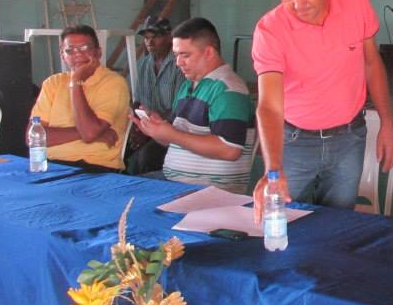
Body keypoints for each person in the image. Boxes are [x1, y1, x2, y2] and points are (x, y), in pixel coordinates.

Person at [252, 0, 393, 214]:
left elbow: (371, 63)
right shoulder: (269, 30)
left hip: (348, 138)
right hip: (295, 142)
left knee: (339, 224)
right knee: (281, 219)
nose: (298, 5)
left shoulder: (355, 1)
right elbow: (269, 105)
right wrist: (273, 168)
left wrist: (387, 122)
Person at [132, 17, 254, 193]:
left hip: (210, 190)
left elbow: (229, 149)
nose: (178, 62)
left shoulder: (228, 89)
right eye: (176, 55)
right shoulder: (187, 86)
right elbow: (177, 141)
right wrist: (156, 130)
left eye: (185, 55)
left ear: (209, 53)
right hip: (178, 183)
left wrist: (172, 134)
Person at [31, 26, 130, 172]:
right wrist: (81, 133)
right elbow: (33, 137)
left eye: (84, 48)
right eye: (70, 50)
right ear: (62, 55)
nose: (77, 55)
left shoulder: (113, 83)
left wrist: (75, 82)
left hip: (94, 168)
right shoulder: (52, 83)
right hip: (50, 165)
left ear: (98, 52)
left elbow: (89, 133)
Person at [125, 16, 185, 175]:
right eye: (146, 38)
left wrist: (152, 130)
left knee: (146, 157)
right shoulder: (144, 63)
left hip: (172, 129)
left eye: (155, 37)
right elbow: (138, 101)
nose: (150, 42)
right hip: (147, 126)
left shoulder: (180, 64)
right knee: (122, 150)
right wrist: (138, 129)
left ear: (169, 38)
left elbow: (180, 109)